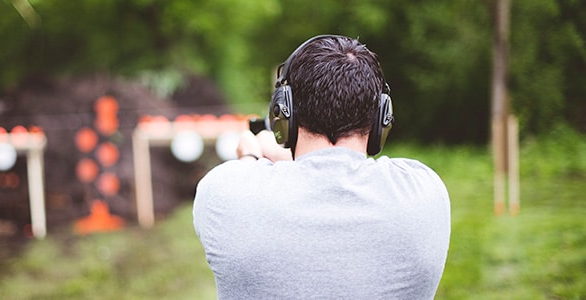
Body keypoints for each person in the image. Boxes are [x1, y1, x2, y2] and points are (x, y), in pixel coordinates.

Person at [192, 34, 451, 299]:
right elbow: (335, 167)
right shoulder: (426, 192)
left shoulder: (221, 192)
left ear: (285, 114)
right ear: (380, 118)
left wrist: (251, 154)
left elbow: (262, 174)